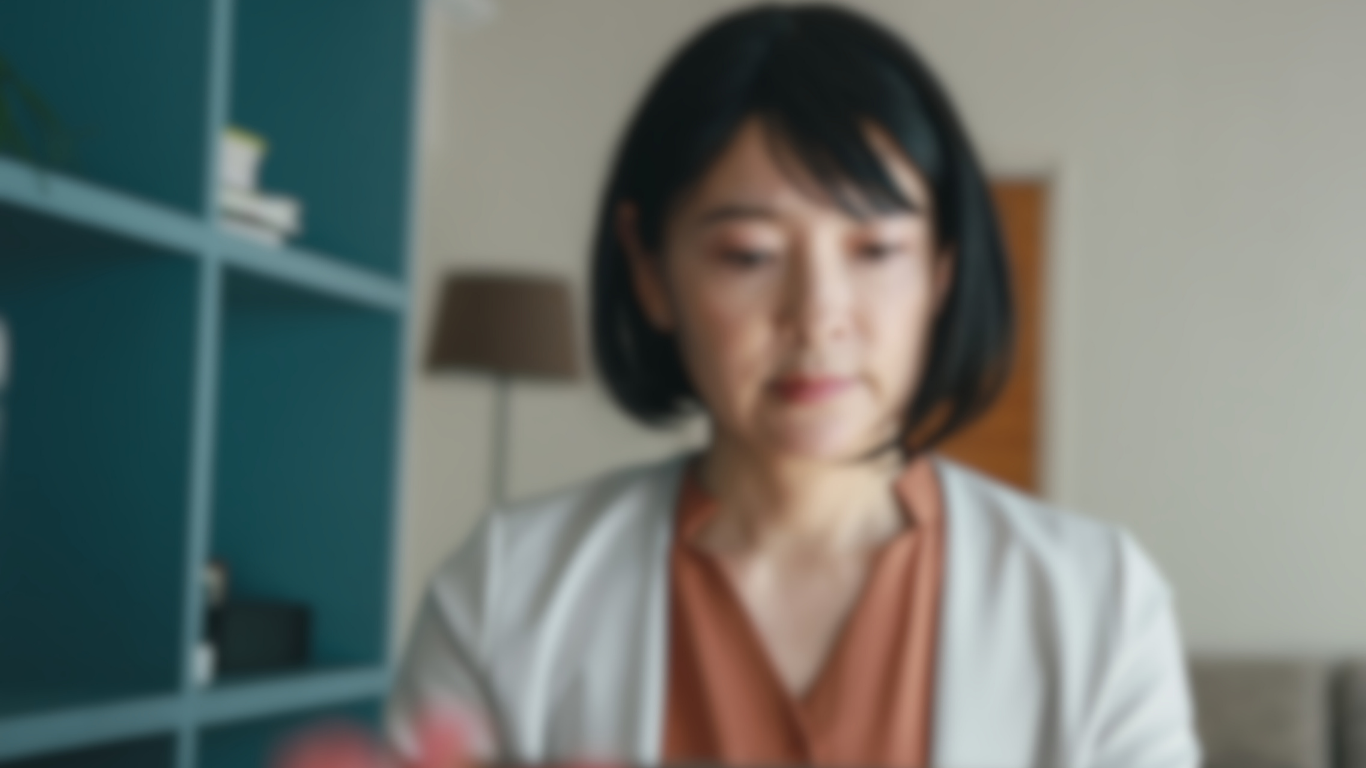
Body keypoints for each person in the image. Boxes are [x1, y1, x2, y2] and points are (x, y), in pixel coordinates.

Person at [386, 5, 1201, 768]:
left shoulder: (1102, 606)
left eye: (875, 252)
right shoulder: (502, 594)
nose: (816, 318)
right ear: (649, 269)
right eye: (749, 255)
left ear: (942, 270)